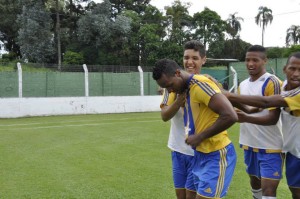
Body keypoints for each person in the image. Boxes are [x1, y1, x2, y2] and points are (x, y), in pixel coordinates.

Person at [153, 58, 238, 199]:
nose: (169, 90)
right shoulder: (185, 89)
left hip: (216, 153)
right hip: (199, 154)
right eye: (166, 88)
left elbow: (230, 115)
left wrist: (200, 136)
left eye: (170, 85)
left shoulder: (200, 84)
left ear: (177, 73)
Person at [224, 52, 300, 199]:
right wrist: (248, 110)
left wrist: (228, 95)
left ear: (265, 61)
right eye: (292, 68)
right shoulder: (284, 86)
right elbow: (261, 105)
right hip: (293, 151)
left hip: (280, 148)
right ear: (285, 69)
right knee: (295, 191)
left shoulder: (287, 88)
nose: (296, 74)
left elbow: (267, 103)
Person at [232, 45, 284, 199]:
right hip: (249, 144)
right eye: (247, 60)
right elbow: (244, 108)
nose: (250, 63)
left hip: (271, 146)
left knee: (268, 191)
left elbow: (273, 118)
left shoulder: (272, 82)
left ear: (265, 61)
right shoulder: (243, 85)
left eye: (255, 60)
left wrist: (246, 117)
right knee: (255, 185)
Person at [160, 40, 206, 199]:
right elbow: (164, 115)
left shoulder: (206, 84)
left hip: (198, 153)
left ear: (203, 60)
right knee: (181, 196)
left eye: (195, 58)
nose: (189, 62)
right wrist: (179, 101)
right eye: (186, 57)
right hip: (178, 150)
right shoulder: (171, 84)